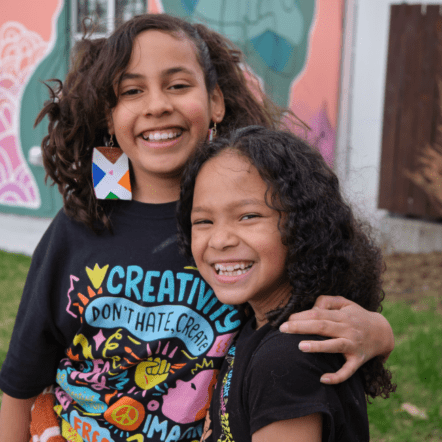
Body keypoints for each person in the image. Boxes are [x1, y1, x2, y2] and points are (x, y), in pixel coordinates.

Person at [0, 14, 394, 442]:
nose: (157, 105)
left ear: (216, 102)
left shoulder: (260, 229)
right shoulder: (77, 229)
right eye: (132, 91)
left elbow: (315, 312)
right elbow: (22, 378)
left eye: (178, 85)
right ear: (109, 118)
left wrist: (378, 333)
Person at [176, 126, 396, 442]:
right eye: (203, 221)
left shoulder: (288, 356)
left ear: (303, 225)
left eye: (248, 216)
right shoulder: (259, 326)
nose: (221, 239)